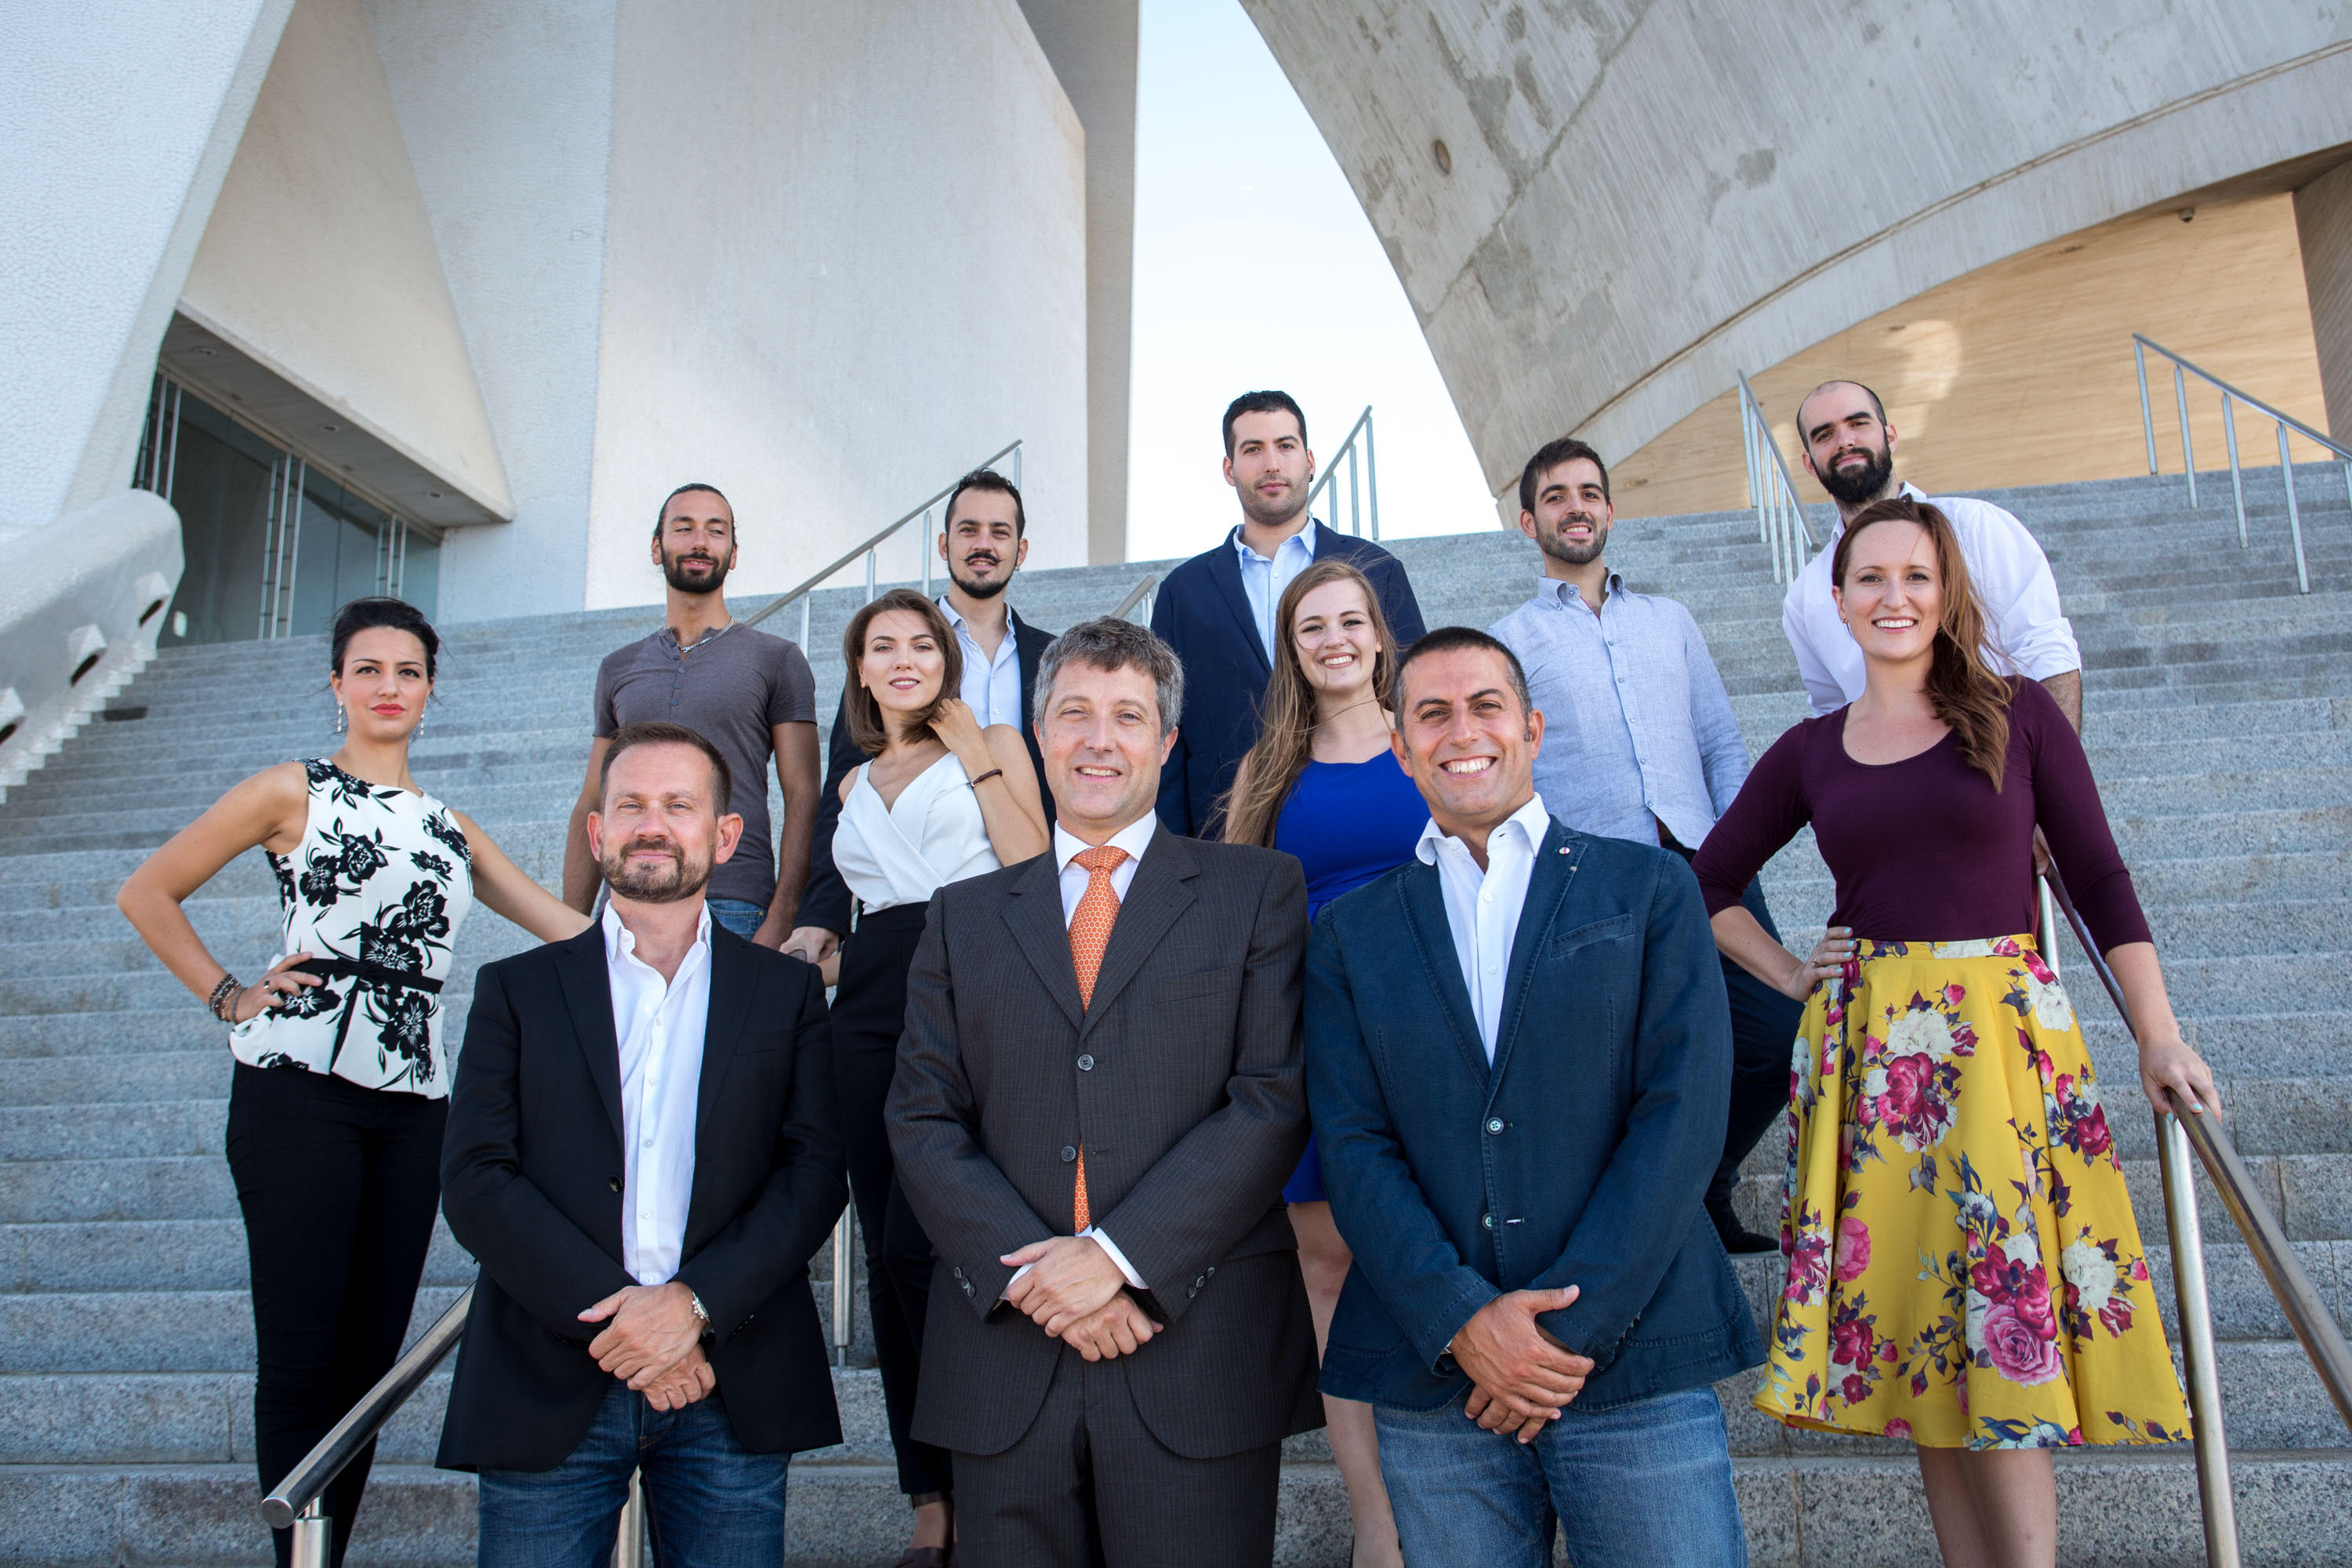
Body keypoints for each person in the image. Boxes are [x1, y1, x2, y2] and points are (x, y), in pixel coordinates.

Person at [1693, 497, 2214, 1568]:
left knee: (2001, 1327)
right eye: (1871, 578)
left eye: (1917, 577)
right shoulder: (1810, 749)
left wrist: (2158, 1034)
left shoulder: (2018, 714)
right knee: (1921, 1343)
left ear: (1948, 594)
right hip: (1873, 1062)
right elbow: (1705, 881)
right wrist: (1791, 973)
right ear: (1838, 600)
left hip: (2000, 1053)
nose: (1894, 597)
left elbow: (2098, 876)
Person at [114, 597, 592, 1568]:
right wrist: (228, 994)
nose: (388, 686)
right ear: (336, 683)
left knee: (371, 1365)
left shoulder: (451, 827)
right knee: (303, 1354)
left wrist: (724, 961)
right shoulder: (292, 788)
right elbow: (146, 889)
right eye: (368, 668)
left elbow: (570, 930)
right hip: (297, 1089)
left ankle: (323, 1554)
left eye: (408, 670)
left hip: (414, 1107)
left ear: (430, 689)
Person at [1305, 626, 1759, 1568]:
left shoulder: (1650, 887)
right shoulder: (1351, 932)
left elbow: (1681, 1117)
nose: (1462, 730)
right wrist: (1463, 1320)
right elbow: (1353, 1143)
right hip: (1439, 1379)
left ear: (1533, 728)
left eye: (1486, 706)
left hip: (1631, 1364)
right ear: (1401, 749)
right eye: (1432, 713)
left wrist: (1556, 1335)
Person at [887, 618, 1322, 1566]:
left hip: (1195, 1350)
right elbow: (922, 1117)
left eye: (1128, 715)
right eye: (1075, 712)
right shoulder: (962, 917)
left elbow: (1271, 1097)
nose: (1099, 738)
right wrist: (1040, 1279)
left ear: (1167, 742)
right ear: (1039, 733)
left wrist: (1119, 1257)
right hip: (1008, 1355)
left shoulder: (1256, 891)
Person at [437, 720, 846, 1563]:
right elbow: (477, 1179)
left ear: (725, 836)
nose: (652, 825)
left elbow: (812, 1176)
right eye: (630, 805)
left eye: (678, 805)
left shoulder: (786, 993)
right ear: (597, 832)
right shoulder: (515, 990)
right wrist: (633, 1324)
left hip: (731, 1376)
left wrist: (692, 1307)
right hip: (548, 1372)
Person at [1488, 436, 1802, 1255]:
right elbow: (1510, 768)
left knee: (1778, 1033)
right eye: (1556, 496)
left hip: (1706, 864)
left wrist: (1739, 845)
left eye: (1589, 492)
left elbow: (1720, 740)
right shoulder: (1508, 641)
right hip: (1596, 876)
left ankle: (1706, 1181)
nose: (1576, 507)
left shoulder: (1670, 620)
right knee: (1629, 1060)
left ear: (1610, 509)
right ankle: (1658, 1219)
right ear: (1529, 522)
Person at [822, 588, 1051, 1565]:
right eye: (884, 646)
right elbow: (864, 903)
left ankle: (995, 1459)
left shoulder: (993, 739)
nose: (905, 658)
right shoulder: (848, 781)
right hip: (870, 991)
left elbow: (1033, 860)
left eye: (923, 642)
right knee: (885, 1246)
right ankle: (929, 1490)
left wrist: (974, 752)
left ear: (947, 662)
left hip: (972, 973)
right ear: (862, 671)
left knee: (949, 1235)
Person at [1218, 557, 1421, 1568]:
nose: (1335, 639)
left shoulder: (1431, 732)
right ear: (1291, 650)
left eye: (1350, 620)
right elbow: (1238, 914)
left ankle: (1462, 1496)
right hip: (1319, 1032)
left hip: (1434, 1025)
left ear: (1379, 634)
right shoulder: (1270, 766)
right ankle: (1376, 1518)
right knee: (1330, 1264)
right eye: (1313, 627)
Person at [785, 468, 1057, 972]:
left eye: (999, 532)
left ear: (1020, 550)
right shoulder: (893, 658)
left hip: (1021, 910)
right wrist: (823, 913)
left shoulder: (1054, 660)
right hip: (904, 921)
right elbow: (845, 797)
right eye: (968, 529)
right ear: (943, 544)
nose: (983, 544)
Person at [1152, 390, 1427, 837]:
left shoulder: (1378, 571)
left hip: (1369, 815)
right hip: (1226, 834)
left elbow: (1415, 694)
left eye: (1285, 445)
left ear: (1310, 460)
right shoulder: (1182, 593)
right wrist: (1175, 853)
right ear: (1229, 469)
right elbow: (1166, 732)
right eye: (1253, 450)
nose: (1272, 464)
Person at [564, 481, 821, 944]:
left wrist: (784, 913)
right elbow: (592, 800)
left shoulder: (777, 659)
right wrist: (570, 929)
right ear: (657, 547)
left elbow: (803, 793)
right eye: (684, 528)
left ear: (733, 554)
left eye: (715, 531)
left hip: (735, 903)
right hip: (625, 901)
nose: (700, 542)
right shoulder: (618, 667)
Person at [1784, 380, 2083, 730]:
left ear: (1890, 436)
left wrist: (2057, 759)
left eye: (1858, 423)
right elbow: (1834, 714)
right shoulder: (1805, 598)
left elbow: (2045, 652)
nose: (1845, 441)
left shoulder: (1978, 527)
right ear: (1809, 464)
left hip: (2005, 752)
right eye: (1824, 435)